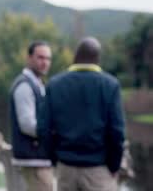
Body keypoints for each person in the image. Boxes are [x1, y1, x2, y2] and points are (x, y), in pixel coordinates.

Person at [38, 37, 125, 191]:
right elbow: (117, 132)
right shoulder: (110, 85)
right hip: (99, 169)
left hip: (66, 168)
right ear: (97, 59)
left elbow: (43, 129)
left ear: (75, 57)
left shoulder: (55, 84)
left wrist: (55, 159)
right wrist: (114, 165)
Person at [9, 41, 54, 191]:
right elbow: (27, 124)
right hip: (33, 160)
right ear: (29, 58)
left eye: (48, 58)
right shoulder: (25, 86)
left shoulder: (38, 84)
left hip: (39, 160)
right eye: (40, 57)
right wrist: (54, 132)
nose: (45, 62)